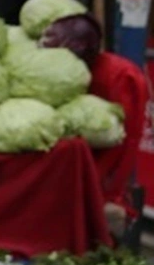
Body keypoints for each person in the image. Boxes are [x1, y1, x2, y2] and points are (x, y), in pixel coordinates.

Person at [41, 13, 151, 231]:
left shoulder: (120, 76)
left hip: (99, 172)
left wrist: (101, 193)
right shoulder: (53, 76)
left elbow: (123, 143)